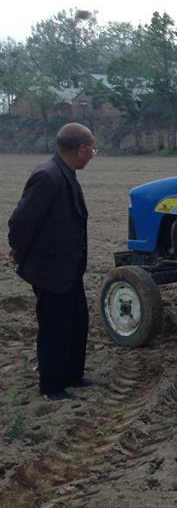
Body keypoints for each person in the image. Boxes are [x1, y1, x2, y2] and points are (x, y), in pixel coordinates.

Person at [8, 123, 97, 401]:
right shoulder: (48, 176)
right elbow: (21, 221)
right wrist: (19, 254)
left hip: (69, 268)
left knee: (76, 322)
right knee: (54, 327)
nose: (93, 154)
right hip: (51, 271)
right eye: (92, 149)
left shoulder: (65, 172)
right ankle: (52, 385)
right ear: (80, 149)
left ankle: (72, 374)